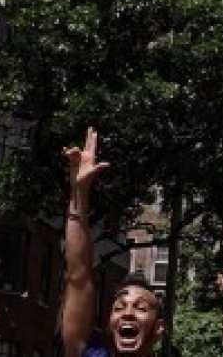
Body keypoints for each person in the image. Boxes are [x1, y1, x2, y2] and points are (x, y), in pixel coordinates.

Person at [60, 127, 165, 357]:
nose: (127, 313)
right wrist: (79, 193)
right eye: (119, 307)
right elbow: (78, 276)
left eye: (141, 308)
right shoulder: (91, 353)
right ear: (109, 323)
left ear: (158, 328)